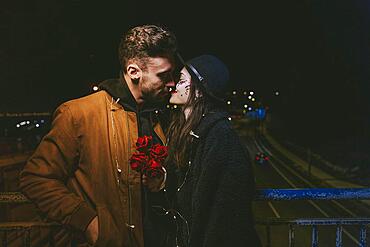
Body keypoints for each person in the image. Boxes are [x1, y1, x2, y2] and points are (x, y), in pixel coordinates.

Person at [19, 24, 178, 247]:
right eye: (164, 75)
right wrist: (87, 222)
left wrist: (162, 179)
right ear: (133, 72)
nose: (171, 83)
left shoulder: (161, 116)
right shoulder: (77, 114)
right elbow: (35, 179)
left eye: (172, 73)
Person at [161, 54, 262, 246]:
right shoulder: (186, 131)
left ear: (199, 91)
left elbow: (227, 215)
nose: (174, 84)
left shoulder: (221, 136)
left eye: (181, 80)